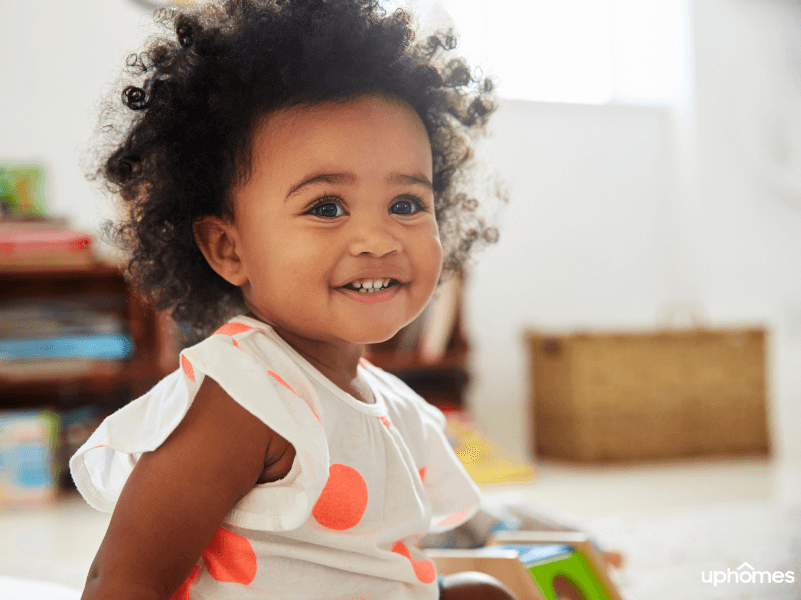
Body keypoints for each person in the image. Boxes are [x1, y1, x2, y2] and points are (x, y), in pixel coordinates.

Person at [71, 1, 512, 598]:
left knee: (484, 591)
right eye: (326, 207)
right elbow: (123, 579)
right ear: (228, 248)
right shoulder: (244, 396)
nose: (378, 239)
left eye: (406, 204)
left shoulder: (393, 404)